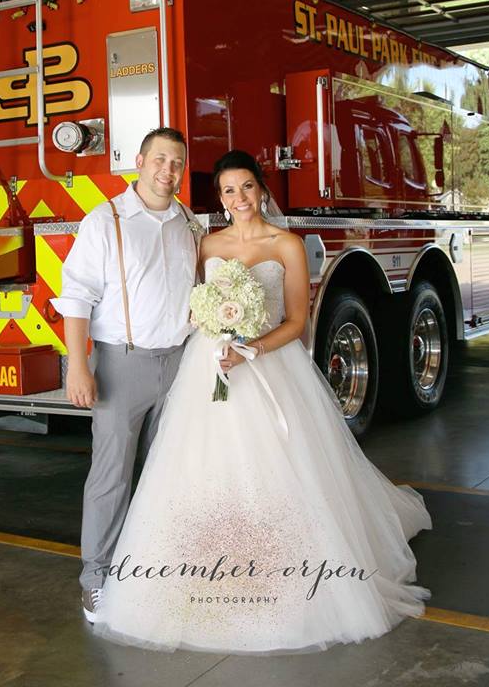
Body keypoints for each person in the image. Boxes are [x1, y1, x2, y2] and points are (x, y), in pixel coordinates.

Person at [88, 148, 432, 655]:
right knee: (202, 471)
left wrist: (252, 350)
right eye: (228, 190)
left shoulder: (287, 244)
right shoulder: (205, 244)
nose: (239, 198)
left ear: (261, 188)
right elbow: (191, 303)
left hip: (266, 365)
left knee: (280, 472)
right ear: (220, 199)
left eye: (246, 186)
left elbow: (298, 323)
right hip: (209, 370)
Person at [51, 127, 198, 623]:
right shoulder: (105, 220)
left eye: (176, 162)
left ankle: (157, 570)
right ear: (139, 161)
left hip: (180, 363)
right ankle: (96, 578)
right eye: (160, 159)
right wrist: (78, 364)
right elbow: (76, 297)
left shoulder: (188, 224)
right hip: (122, 363)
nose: (168, 171)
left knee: (169, 472)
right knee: (111, 477)